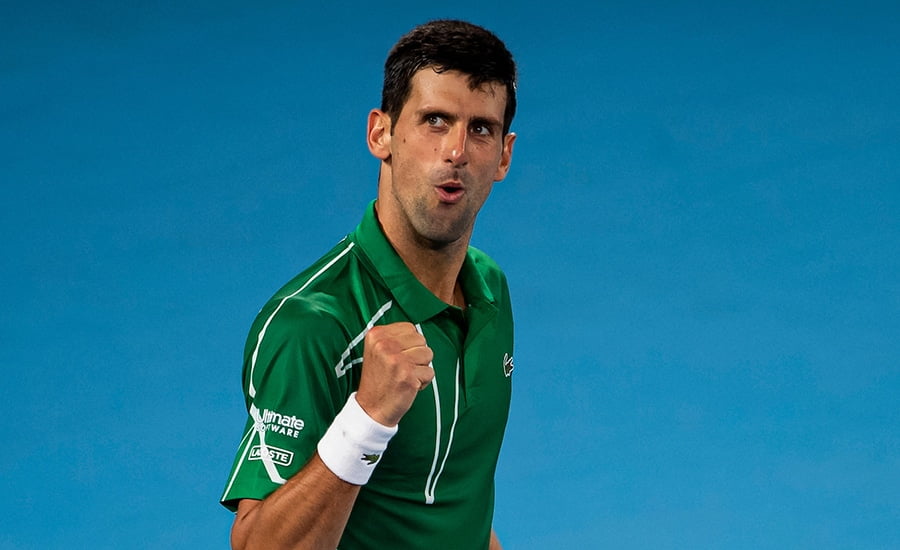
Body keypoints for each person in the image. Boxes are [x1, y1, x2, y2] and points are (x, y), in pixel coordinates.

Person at [220, 19, 518, 550]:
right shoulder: (312, 326)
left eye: (480, 129)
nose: (456, 151)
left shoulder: (489, 291)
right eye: (434, 121)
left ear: (503, 156)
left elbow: (447, 502)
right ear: (380, 133)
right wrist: (367, 420)